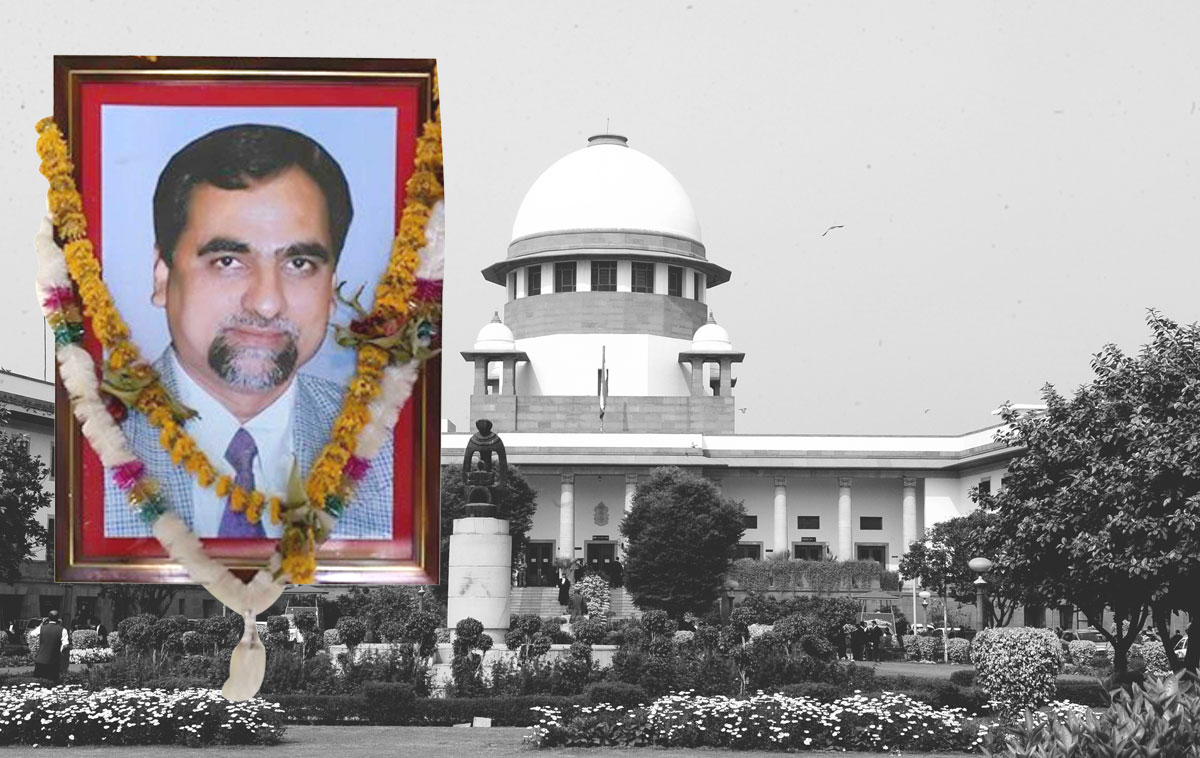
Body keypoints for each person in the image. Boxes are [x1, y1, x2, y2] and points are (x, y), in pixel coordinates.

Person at [102, 124, 394, 540]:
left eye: (299, 264)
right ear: (163, 275)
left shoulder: (388, 454)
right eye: (227, 261)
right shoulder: (89, 444)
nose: (267, 302)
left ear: (331, 289)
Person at [32, 611, 68, 683]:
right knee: (52, 683)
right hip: (53, 661)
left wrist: (42, 624)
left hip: (40, 660)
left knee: (37, 683)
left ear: (48, 618)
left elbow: (32, 634)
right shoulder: (63, 630)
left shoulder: (41, 628)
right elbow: (65, 645)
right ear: (58, 618)